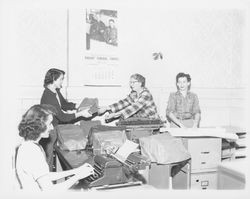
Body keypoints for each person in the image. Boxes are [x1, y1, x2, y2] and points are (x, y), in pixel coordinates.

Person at [15, 104, 94, 191]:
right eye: (49, 124)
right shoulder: (32, 151)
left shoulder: (29, 145)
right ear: (39, 125)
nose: (52, 127)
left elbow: (45, 175)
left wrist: (75, 171)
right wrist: (78, 177)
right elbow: (50, 191)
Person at [40, 68, 92, 171]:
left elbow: (64, 104)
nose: (62, 82)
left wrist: (79, 106)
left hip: (54, 128)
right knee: (48, 159)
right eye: (61, 79)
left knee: (53, 156)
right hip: (49, 130)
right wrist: (81, 114)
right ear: (54, 79)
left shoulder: (55, 91)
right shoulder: (48, 96)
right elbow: (62, 117)